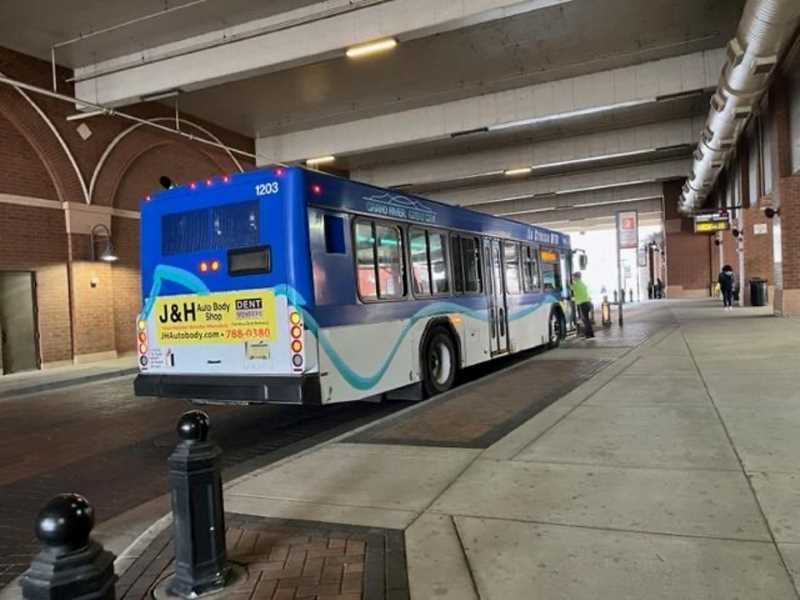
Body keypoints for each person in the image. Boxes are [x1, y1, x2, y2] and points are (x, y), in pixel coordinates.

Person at [570, 272, 594, 338]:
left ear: (577, 277)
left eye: (573, 277)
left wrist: (566, 282)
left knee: (585, 320)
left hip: (583, 304)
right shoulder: (583, 284)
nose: (573, 278)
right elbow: (580, 294)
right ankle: (590, 334)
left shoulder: (575, 285)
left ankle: (588, 334)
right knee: (586, 319)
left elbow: (569, 288)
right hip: (587, 303)